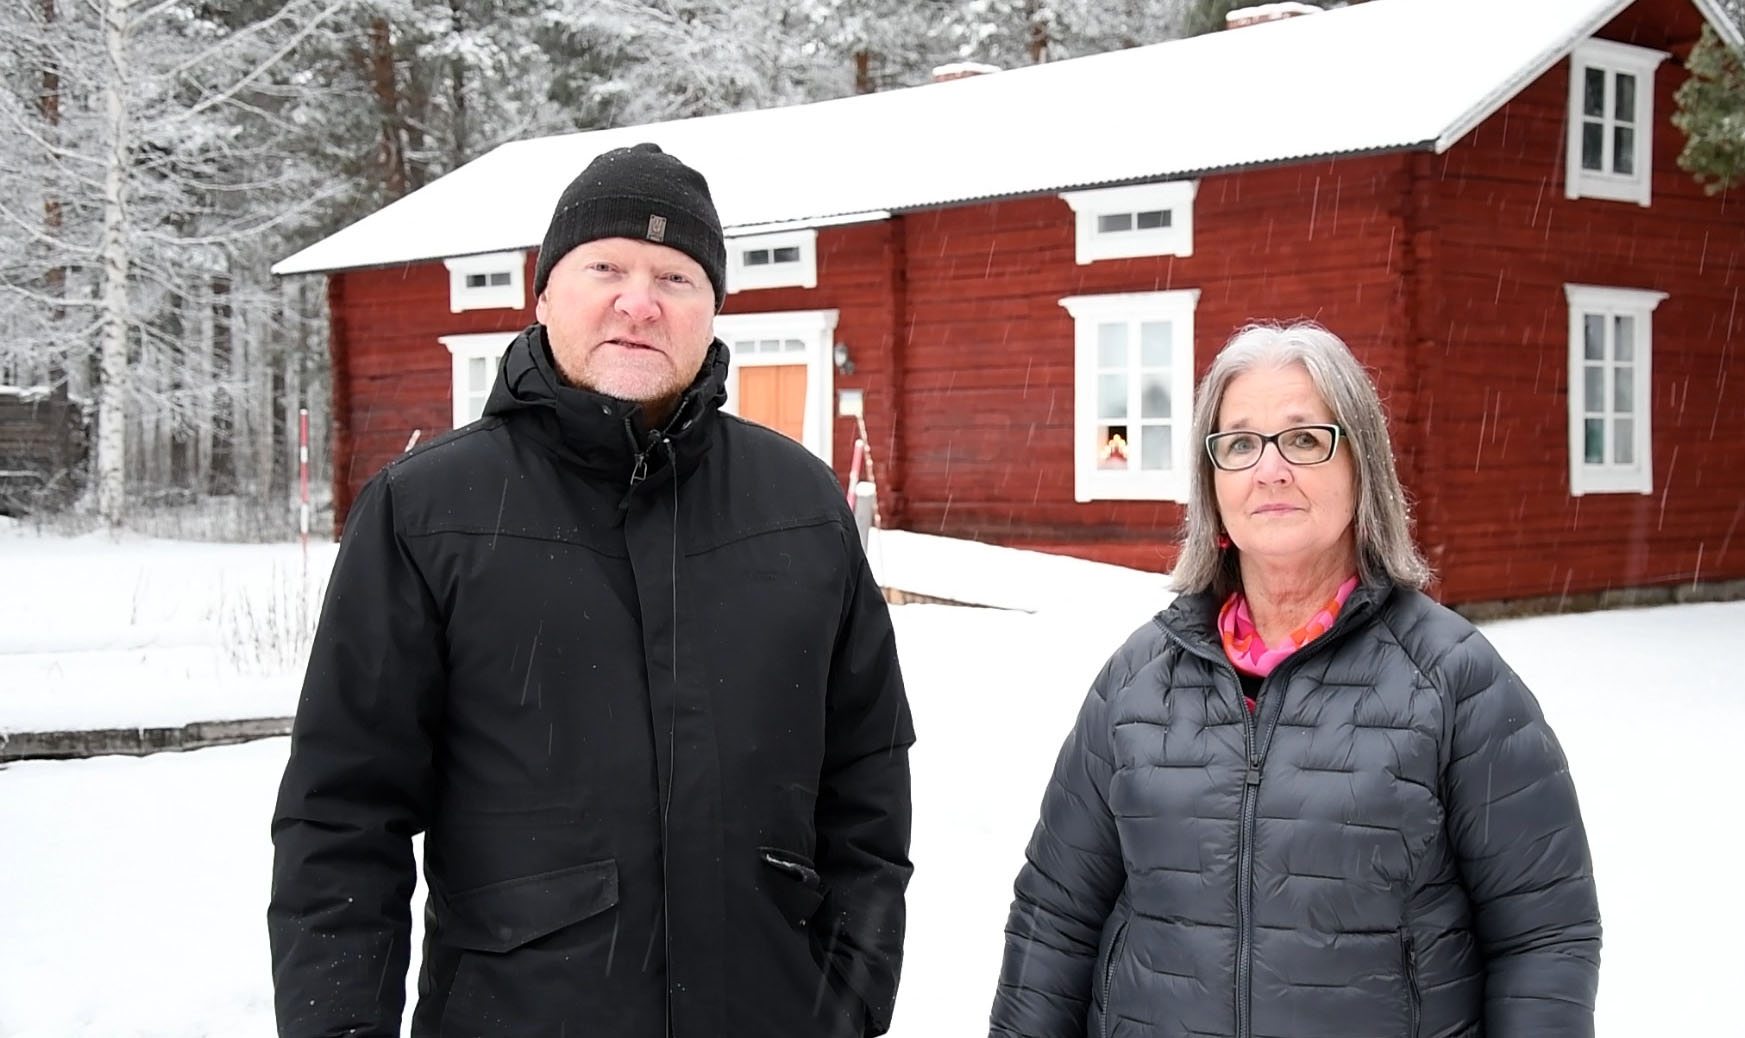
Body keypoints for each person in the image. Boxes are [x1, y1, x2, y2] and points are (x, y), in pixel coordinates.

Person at [269, 143, 914, 1038]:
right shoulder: (428, 511)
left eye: (676, 277)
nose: (639, 301)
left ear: (713, 309)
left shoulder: (801, 508)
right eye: (604, 266)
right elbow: (342, 819)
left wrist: (847, 1002)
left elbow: (867, 787)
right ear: (543, 295)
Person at [988, 321, 1600, 1038]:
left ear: (1360, 468)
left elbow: (1543, 936)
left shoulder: (1454, 681)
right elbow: (1054, 920)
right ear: (1212, 483)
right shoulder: (1137, 683)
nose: (1269, 470)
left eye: (1305, 440)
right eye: (1240, 443)